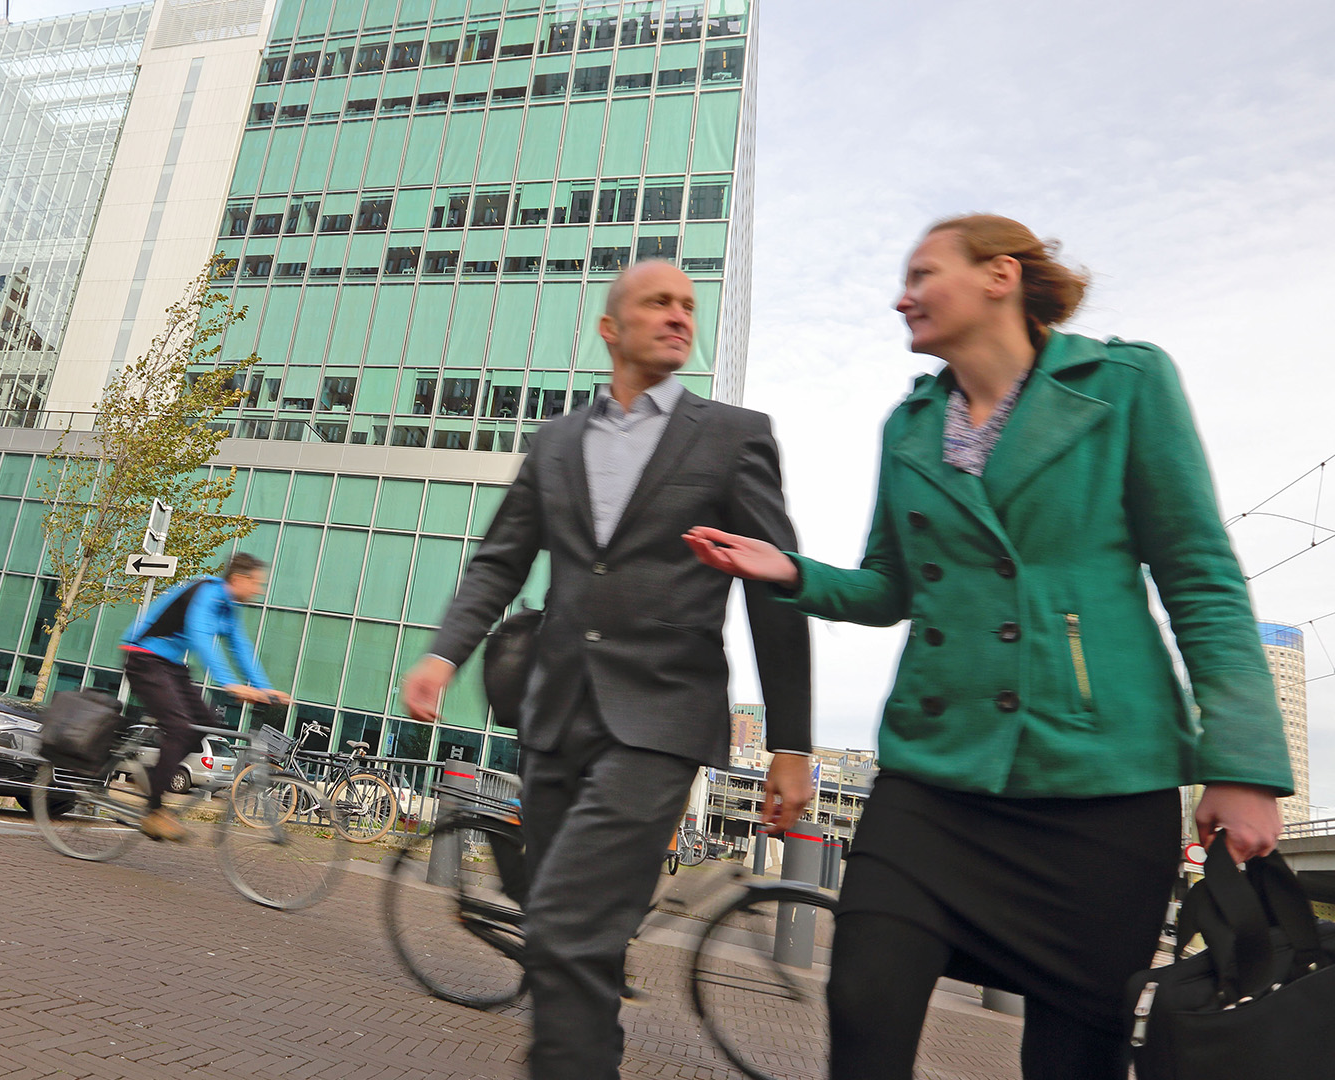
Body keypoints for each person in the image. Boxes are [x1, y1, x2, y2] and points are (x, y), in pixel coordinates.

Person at [685, 215, 1292, 1080]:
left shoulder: (1123, 386)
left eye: (923, 274)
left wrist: (1243, 763)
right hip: (936, 775)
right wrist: (790, 570)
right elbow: (890, 586)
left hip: (1100, 783)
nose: (902, 296)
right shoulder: (909, 427)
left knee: (1072, 1057)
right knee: (862, 998)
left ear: (1000, 275)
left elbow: (1199, 575)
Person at [401, 259, 815, 1080]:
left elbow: (776, 591)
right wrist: (446, 652)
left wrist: (793, 742)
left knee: (562, 919)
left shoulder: (734, 436)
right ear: (609, 329)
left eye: (688, 306)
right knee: (572, 937)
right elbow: (499, 561)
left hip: (658, 718)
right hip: (556, 718)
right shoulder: (557, 442)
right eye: (658, 303)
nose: (678, 316)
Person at [120, 552, 290, 841]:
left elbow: (240, 647)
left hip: (169, 665)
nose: (259, 590)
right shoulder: (207, 593)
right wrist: (230, 684)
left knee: (204, 721)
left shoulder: (229, 607)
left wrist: (264, 687)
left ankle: (151, 777)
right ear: (238, 579)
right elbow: (200, 638)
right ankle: (154, 812)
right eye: (256, 583)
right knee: (180, 728)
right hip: (143, 658)